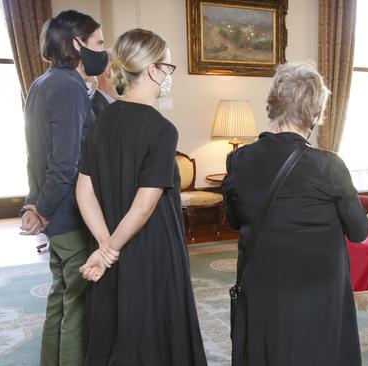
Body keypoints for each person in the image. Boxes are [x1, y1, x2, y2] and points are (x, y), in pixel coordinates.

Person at [222, 62, 368, 365]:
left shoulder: (239, 160)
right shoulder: (328, 165)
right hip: (318, 296)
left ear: (272, 105)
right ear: (315, 115)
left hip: (263, 287)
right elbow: (359, 231)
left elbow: (235, 220)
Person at [75, 28, 207, 365]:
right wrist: (110, 251)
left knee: (114, 328)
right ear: (153, 70)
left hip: (109, 243)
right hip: (150, 247)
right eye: (169, 68)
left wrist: (105, 247)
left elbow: (84, 190)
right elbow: (145, 206)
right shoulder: (162, 130)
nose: (168, 75)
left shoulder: (101, 122)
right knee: (155, 333)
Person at [20, 10, 108, 365]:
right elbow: (65, 163)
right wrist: (40, 208)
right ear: (77, 44)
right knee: (78, 305)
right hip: (70, 213)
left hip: (55, 216)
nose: (103, 50)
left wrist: (35, 204)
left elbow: (34, 156)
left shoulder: (42, 83)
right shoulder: (70, 88)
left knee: (59, 298)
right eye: (99, 43)